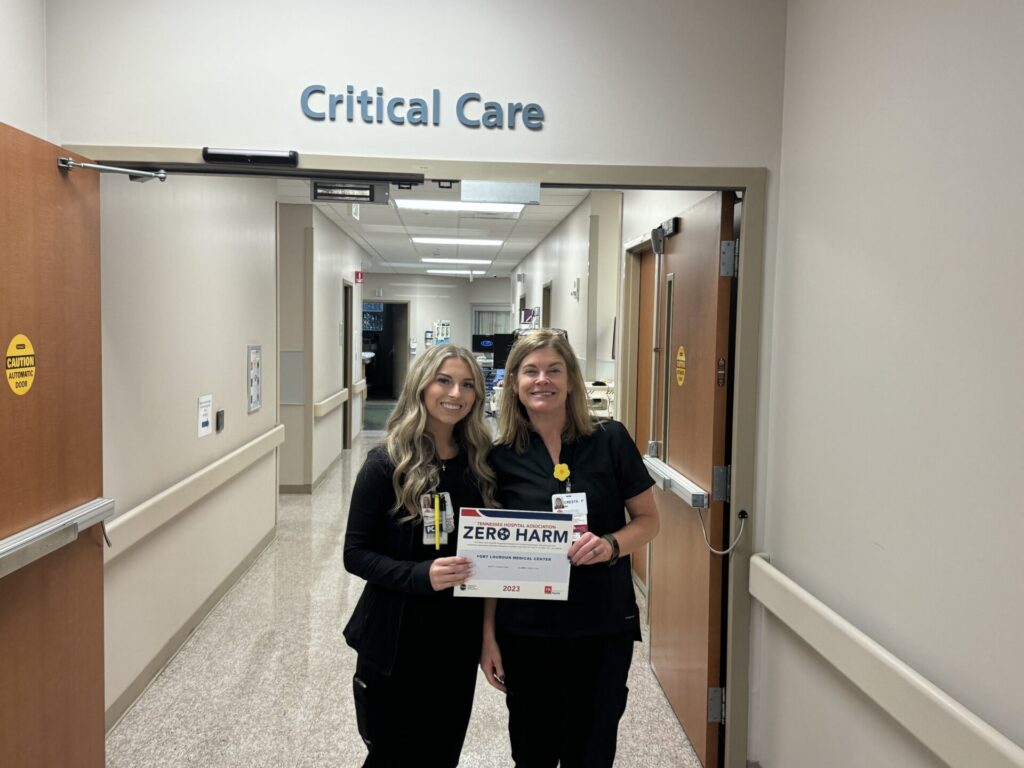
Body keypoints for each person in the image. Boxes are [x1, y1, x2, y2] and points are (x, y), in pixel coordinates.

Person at [480, 329, 660, 768]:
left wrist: (612, 544)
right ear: (515, 383)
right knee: (532, 749)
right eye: (531, 371)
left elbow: (649, 521)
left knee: (592, 749)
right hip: (527, 629)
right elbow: (488, 558)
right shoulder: (498, 457)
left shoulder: (610, 439)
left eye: (554, 370)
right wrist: (487, 636)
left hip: (600, 624)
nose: (543, 380)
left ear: (572, 379)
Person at [343, 344, 497, 768]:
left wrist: (488, 635)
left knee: (442, 753)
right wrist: (420, 575)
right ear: (421, 386)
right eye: (444, 380)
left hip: (455, 641)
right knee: (391, 756)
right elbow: (355, 554)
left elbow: (490, 559)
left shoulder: (480, 466)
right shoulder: (386, 464)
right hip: (395, 638)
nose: (456, 393)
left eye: (468, 385)